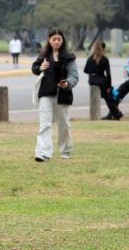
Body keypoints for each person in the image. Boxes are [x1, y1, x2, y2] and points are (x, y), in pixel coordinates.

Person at [32, 28, 78, 162]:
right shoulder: (44, 55)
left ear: (63, 40)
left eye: (59, 39)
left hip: (62, 94)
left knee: (63, 124)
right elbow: (34, 68)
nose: (56, 42)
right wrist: (40, 68)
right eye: (54, 39)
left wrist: (67, 83)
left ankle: (66, 151)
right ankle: (43, 153)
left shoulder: (69, 57)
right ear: (49, 40)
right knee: (45, 123)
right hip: (46, 93)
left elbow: (74, 75)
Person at [84, 41, 122, 120]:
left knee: (107, 96)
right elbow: (108, 74)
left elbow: (85, 70)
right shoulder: (104, 59)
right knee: (110, 95)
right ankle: (117, 113)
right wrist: (108, 86)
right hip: (101, 81)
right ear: (103, 49)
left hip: (92, 80)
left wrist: (93, 71)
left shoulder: (90, 58)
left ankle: (115, 113)